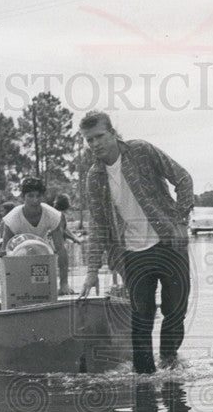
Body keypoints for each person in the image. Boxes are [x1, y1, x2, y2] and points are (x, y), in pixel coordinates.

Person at [78, 111, 193, 374]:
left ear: (113, 133)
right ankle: (144, 377)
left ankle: (169, 360)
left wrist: (180, 219)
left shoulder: (141, 151)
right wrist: (91, 270)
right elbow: (98, 224)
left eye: (99, 137)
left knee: (175, 311)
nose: (95, 144)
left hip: (168, 243)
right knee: (141, 318)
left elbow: (183, 178)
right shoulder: (95, 178)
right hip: (132, 252)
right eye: (89, 140)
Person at [0, 177, 72, 295]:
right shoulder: (12, 219)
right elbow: (4, 253)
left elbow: (61, 250)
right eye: (30, 196)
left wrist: (64, 284)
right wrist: (7, 287)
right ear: (23, 197)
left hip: (42, 250)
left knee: (42, 283)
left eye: (38, 196)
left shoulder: (52, 215)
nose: (35, 200)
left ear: (42, 197)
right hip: (18, 252)